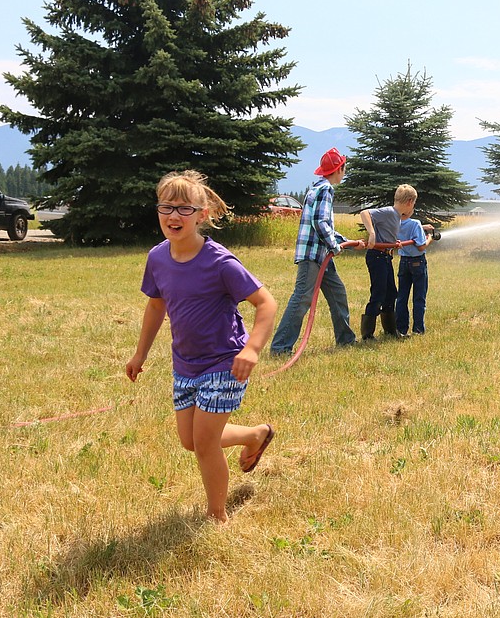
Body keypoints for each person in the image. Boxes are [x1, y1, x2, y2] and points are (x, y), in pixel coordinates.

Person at [126, 170, 278, 525]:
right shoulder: (158, 258)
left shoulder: (219, 261)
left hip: (225, 360)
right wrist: (140, 354)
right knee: (190, 440)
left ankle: (217, 516)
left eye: (184, 209)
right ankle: (257, 434)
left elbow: (266, 304)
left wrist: (251, 350)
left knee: (205, 443)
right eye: (166, 207)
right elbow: (155, 305)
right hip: (185, 364)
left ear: (202, 215)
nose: (174, 216)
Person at [269, 148, 365, 355]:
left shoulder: (317, 188)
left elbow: (324, 226)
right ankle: (280, 347)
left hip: (322, 256)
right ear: (338, 170)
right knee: (302, 298)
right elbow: (319, 222)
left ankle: (346, 340)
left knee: (337, 294)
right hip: (313, 256)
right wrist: (335, 245)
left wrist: (347, 242)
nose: (344, 172)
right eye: (344, 168)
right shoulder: (326, 190)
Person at [359, 184, 416, 339]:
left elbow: (385, 230)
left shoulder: (396, 215)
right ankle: (367, 335)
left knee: (391, 293)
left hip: (385, 256)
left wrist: (392, 241)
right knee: (378, 293)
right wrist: (371, 233)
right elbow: (365, 213)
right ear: (410, 202)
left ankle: (391, 331)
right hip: (376, 256)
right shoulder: (390, 212)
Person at [395, 210, 434, 336]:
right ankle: (418, 330)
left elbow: (405, 227)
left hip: (403, 262)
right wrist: (429, 239)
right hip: (418, 262)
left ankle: (400, 329)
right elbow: (421, 246)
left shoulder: (395, 222)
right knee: (419, 297)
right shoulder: (415, 223)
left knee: (401, 297)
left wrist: (422, 227)